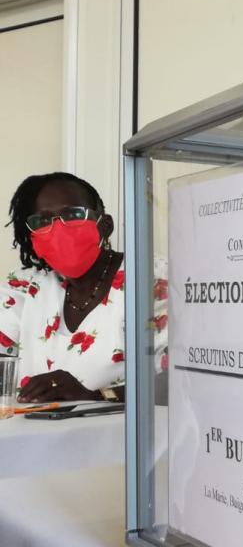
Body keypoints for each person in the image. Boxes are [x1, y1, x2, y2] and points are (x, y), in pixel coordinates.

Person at [0, 172, 167, 403]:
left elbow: (180, 381)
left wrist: (93, 396)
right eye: (42, 221)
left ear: (105, 226)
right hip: (36, 438)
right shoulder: (27, 287)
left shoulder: (152, 281)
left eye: (72, 214)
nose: (58, 229)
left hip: (122, 438)